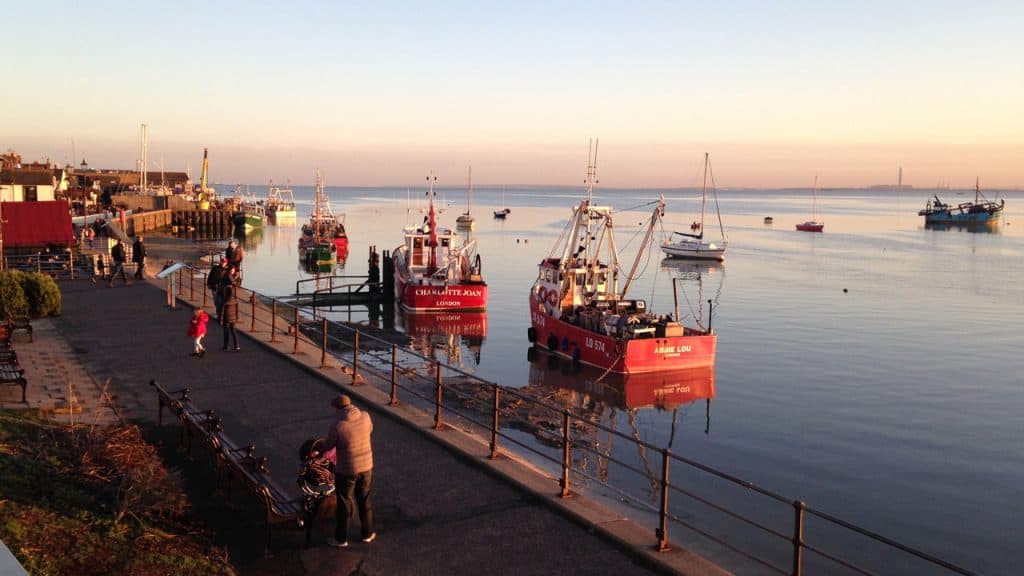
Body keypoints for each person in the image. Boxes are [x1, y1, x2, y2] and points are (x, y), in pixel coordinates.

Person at [323, 394, 375, 548]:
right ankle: (367, 534)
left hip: (346, 470)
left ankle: (341, 539)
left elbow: (328, 446)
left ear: (338, 408)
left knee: (344, 503)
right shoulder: (365, 417)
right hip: (366, 466)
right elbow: (369, 430)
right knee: (364, 499)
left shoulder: (338, 425)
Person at [219, 272, 240, 351]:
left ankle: (226, 346)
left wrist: (220, 320)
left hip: (226, 319)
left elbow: (222, 312)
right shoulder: (235, 301)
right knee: (234, 331)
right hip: (233, 318)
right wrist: (237, 317)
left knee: (226, 331)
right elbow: (237, 310)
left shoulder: (225, 302)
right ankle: (237, 346)